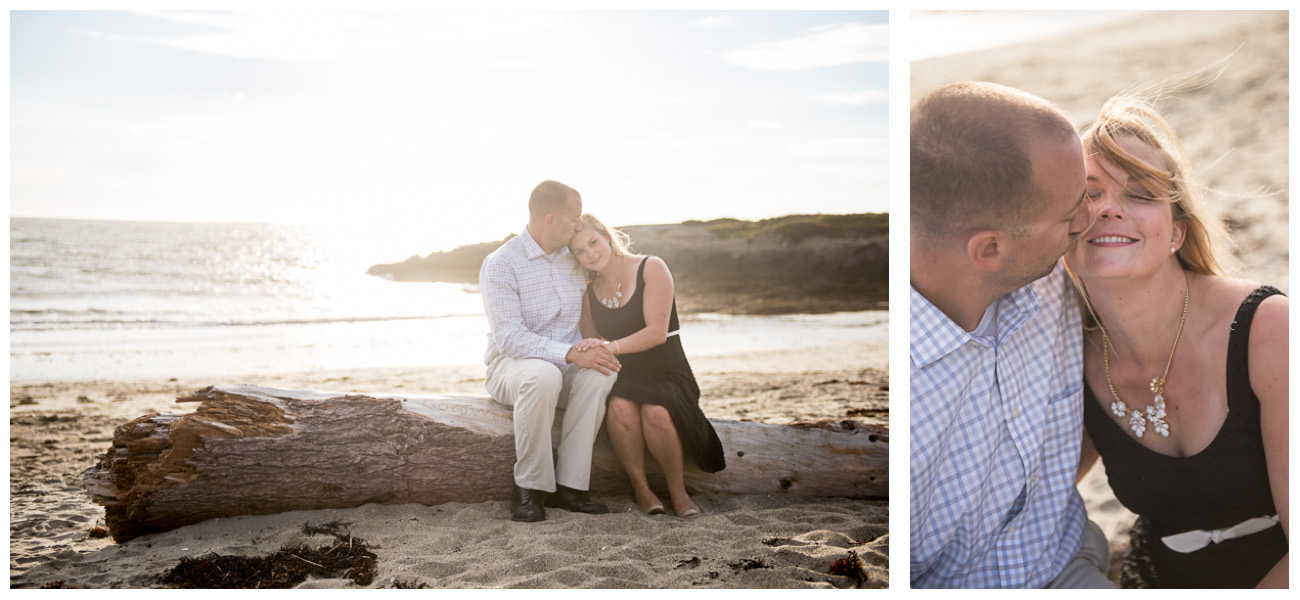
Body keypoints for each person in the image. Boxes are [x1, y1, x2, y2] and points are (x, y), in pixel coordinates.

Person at [1067, 96, 1288, 588]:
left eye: (1141, 193)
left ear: (1176, 232)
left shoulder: (1268, 329)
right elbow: (1030, 493)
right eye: (1088, 193)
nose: (1109, 209)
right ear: (1063, 233)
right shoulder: (1071, 359)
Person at [909, 81, 1108, 588]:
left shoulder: (1059, 277)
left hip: (1066, 560)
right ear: (990, 249)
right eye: (1070, 213)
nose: (1089, 220)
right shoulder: (908, 386)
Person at [479, 180, 622, 522]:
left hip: (564, 365)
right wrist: (571, 354)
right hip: (511, 366)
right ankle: (528, 486)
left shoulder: (573, 258)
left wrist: (592, 348)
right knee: (542, 375)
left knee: (602, 369)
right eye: (574, 217)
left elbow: (611, 275)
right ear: (550, 219)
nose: (579, 223)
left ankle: (570, 486)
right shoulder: (501, 264)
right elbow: (511, 339)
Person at [567, 214, 725, 518]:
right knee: (620, 407)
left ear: (606, 236)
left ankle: (678, 492)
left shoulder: (650, 267)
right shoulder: (589, 294)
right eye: (580, 252)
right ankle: (641, 488)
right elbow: (591, 340)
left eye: (593, 243)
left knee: (656, 411)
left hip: (667, 368)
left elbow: (656, 333)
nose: (590, 254)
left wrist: (609, 346)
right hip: (624, 372)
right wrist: (588, 347)